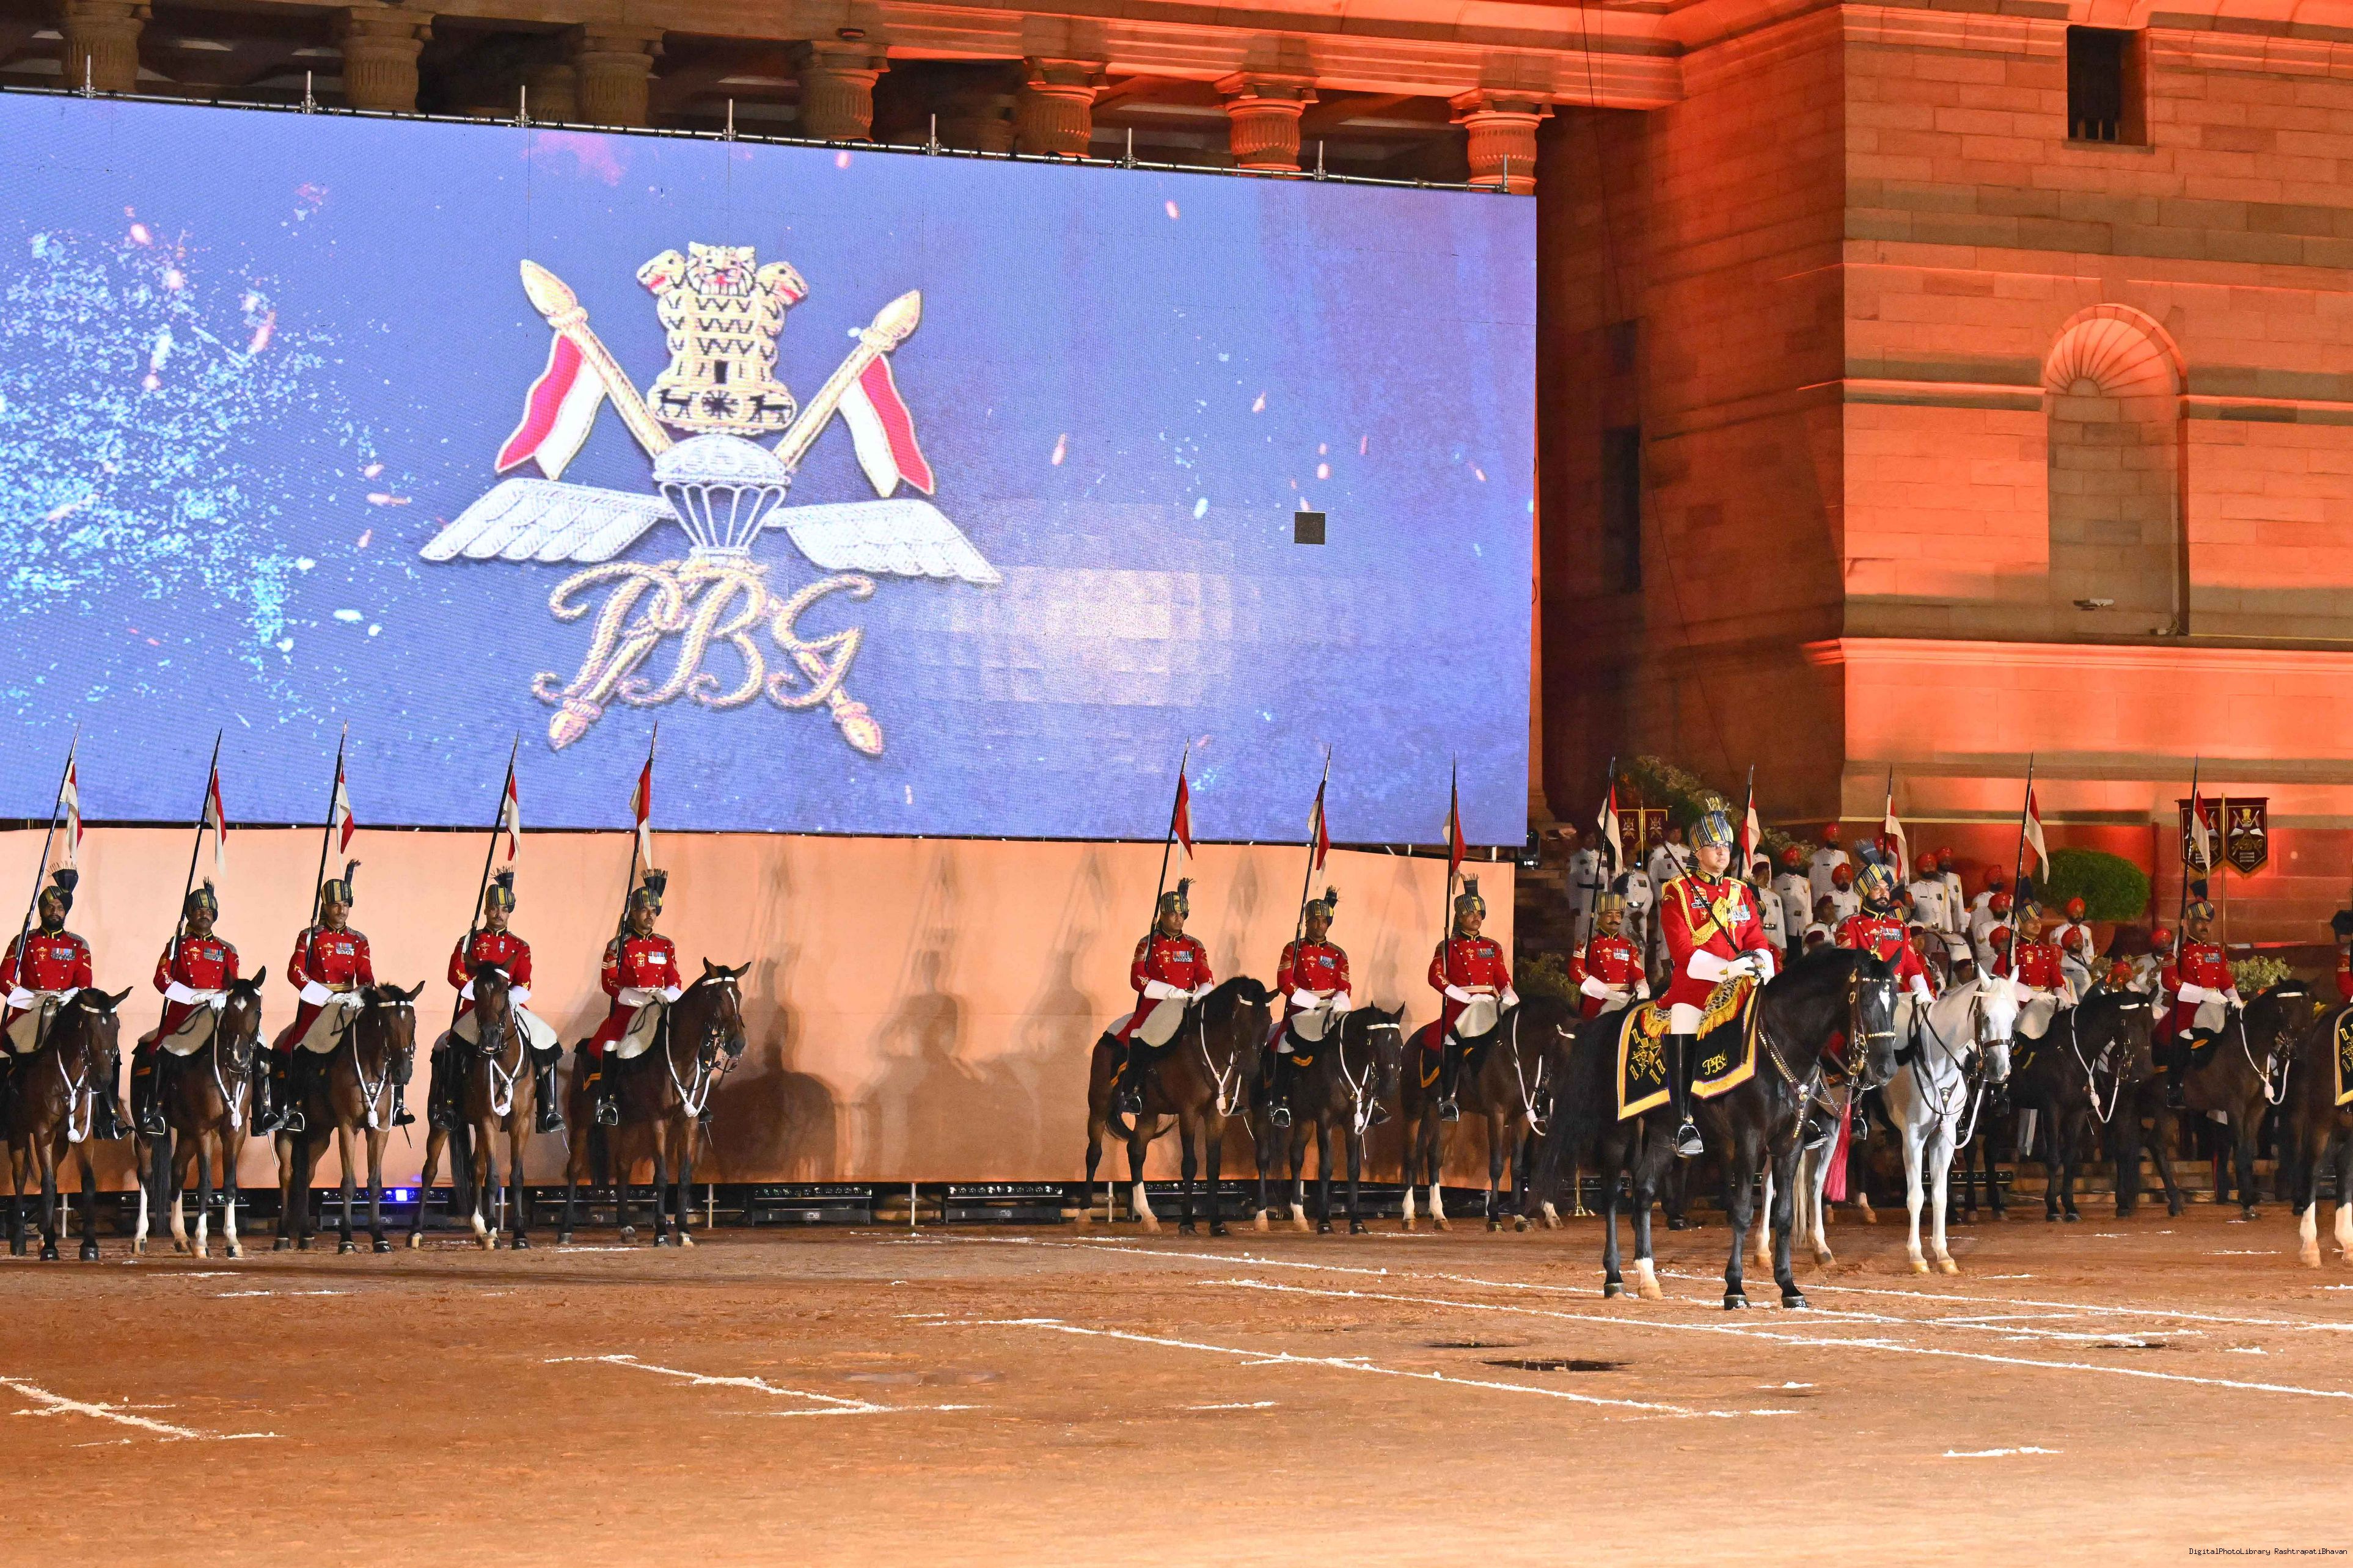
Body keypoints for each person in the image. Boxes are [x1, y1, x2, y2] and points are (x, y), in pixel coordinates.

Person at [1658, 803, 1777, 1157]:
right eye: (1714, 846)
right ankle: (1683, 1120)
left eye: (1726, 845)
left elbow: (1755, 937)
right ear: (1697, 852)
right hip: (1697, 986)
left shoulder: (1741, 891)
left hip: (1744, 983)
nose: (1723, 852)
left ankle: (1792, 1104)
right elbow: (1683, 951)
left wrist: (1761, 961)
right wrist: (1728, 969)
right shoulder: (1678, 892)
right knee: (1684, 1021)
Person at [439, 869, 564, 1134]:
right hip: (476, 1008)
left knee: (547, 1041)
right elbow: (456, 972)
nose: (499, 914)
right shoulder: (469, 941)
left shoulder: (520, 945)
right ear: (486, 910)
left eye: (505, 910)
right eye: (495, 908)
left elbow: (525, 981)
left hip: (511, 1007)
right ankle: (448, 1106)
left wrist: (508, 1000)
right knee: (452, 1046)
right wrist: (479, 995)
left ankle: (548, 1110)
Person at [1, 870, 123, 1137]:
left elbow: (85, 983)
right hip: (31, 1010)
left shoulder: (78, 944)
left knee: (106, 1052)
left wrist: (69, 997)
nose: (55, 911)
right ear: (41, 910)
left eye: (60, 907)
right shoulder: (23, 941)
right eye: (49, 907)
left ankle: (109, 1116)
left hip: (67, 1010)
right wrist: (32, 998)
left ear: (65, 912)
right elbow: (5, 978)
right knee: (4, 1052)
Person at [133, 881, 256, 1137]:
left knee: (259, 1047)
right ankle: (154, 1110)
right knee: (162, 1050)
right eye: (199, 910)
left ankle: (266, 1109)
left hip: (222, 1011)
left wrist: (222, 997)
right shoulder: (177, 944)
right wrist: (191, 996)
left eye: (209, 910)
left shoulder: (227, 949)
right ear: (189, 914)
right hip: (185, 1012)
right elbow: (161, 978)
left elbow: (234, 984)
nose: (204, 914)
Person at [271, 861, 384, 1134]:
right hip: (317, 1007)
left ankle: (392, 1105)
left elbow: (366, 977)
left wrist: (358, 993)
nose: (341, 910)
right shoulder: (309, 936)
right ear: (325, 907)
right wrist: (325, 996)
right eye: (335, 905)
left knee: (386, 1042)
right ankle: (292, 1106)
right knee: (294, 1050)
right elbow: (295, 972)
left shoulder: (359, 940)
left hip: (350, 1006)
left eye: (345, 905)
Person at [583, 870, 685, 1127]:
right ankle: (607, 1101)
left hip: (660, 1006)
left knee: (687, 1039)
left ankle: (690, 1096)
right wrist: (637, 998)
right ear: (633, 913)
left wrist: (666, 996)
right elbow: (609, 982)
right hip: (629, 1008)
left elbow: (674, 979)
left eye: (654, 911)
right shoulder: (618, 946)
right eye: (644, 910)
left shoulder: (666, 945)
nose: (650, 915)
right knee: (611, 1045)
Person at [1421, 877, 1515, 1122]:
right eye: (1470, 913)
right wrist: (1464, 996)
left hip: (1490, 1005)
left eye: (1479, 913)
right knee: (1451, 1040)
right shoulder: (1448, 946)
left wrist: (1509, 996)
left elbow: (1502, 979)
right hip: (1461, 1006)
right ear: (1460, 918)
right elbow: (1436, 977)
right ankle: (1449, 1097)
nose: (1476, 917)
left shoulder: (1493, 947)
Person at [1267, 888, 1355, 1129]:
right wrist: (1313, 1002)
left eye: (1324, 921)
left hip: (1332, 1012)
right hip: (1302, 1012)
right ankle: (1279, 1102)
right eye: (1315, 920)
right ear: (1306, 922)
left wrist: (1339, 1000)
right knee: (1284, 1044)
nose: (1320, 925)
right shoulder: (1293, 948)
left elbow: (1344, 985)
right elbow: (1285, 982)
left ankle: (1363, 1101)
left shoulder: (1338, 953)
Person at [2158, 900, 2239, 1110]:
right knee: (2183, 1036)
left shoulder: (2216, 952)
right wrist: (2203, 994)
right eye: (2200, 921)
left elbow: (2226, 981)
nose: (2205, 926)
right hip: (2188, 1008)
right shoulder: (2176, 953)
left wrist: (2234, 998)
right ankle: (2175, 1088)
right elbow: (2170, 982)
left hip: (2217, 1007)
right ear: (2188, 923)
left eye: (2208, 922)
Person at [1995, 902, 2069, 1041]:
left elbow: (2058, 981)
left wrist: (2062, 998)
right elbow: (2000, 980)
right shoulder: (2011, 952)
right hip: (2021, 1005)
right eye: (2031, 921)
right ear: (2021, 925)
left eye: (2038, 920)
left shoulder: (2047, 952)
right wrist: (2032, 995)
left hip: (2047, 1003)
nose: (2036, 924)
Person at [1570, 893, 1646, 1019]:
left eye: (1618, 915)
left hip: (1625, 1003)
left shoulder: (1628, 945)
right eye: (1609, 915)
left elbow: (1637, 974)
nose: (1614, 919)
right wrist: (1609, 993)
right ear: (1600, 917)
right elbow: (1576, 970)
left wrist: (1642, 989)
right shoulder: (1589, 943)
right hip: (1597, 1003)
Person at [1565, 830, 1606, 950]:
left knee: (1598, 931)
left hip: (1599, 897)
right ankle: (1580, 958)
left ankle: (1595, 958)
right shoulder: (1575, 858)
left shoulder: (1603, 857)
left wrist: (1605, 902)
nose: (1591, 840)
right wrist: (1574, 905)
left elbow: (1606, 880)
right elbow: (1571, 884)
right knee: (1582, 932)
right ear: (1582, 840)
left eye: (1593, 837)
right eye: (1588, 837)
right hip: (1583, 897)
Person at [1771, 847, 1812, 957]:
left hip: (1802, 926)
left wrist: (1808, 928)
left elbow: (1808, 908)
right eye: (1792, 861)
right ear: (1786, 862)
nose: (1796, 864)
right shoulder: (1777, 882)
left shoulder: (1805, 882)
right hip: (1788, 927)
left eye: (1798, 860)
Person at [1751, 855, 1788, 952]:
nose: (1766, 876)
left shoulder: (1775, 896)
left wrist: (1783, 946)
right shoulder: (1752, 894)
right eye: (1763, 874)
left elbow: (1780, 922)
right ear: (1756, 875)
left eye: (1768, 873)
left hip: (1775, 937)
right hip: (1760, 936)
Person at [1807, 823, 1851, 902]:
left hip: (1841, 899)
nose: (1835, 839)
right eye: (1833, 837)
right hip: (1824, 901)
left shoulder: (1844, 855)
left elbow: (1849, 879)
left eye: (1837, 837)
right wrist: (1817, 903)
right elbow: (1813, 883)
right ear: (1826, 837)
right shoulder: (1816, 857)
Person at [1645, 823, 1692, 893]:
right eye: (1674, 832)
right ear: (1667, 833)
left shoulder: (1687, 851)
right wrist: (1658, 894)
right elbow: (1652, 875)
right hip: (1665, 889)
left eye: (1679, 832)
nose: (1676, 835)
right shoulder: (1659, 851)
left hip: (1684, 890)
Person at [1822, 861, 1861, 927]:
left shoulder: (1857, 898)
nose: (1844, 881)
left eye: (1847, 878)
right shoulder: (1829, 896)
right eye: (1841, 878)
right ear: (1836, 880)